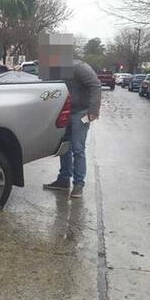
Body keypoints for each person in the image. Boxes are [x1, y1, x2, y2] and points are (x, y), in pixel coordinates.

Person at [43, 60, 101, 198]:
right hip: (65, 111)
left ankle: (78, 184)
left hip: (82, 113)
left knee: (78, 147)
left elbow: (96, 85)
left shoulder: (79, 67)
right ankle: (63, 180)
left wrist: (93, 111)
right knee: (64, 146)